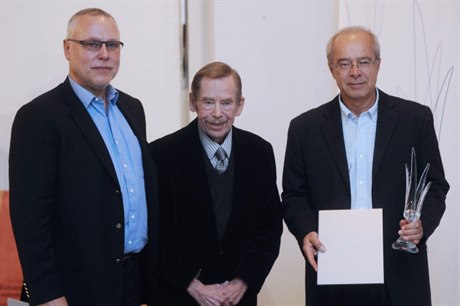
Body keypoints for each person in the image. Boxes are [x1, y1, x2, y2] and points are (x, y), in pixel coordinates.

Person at [282, 26, 449, 306]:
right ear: (331, 69)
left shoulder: (415, 119)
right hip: (332, 269)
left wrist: (422, 225)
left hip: (400, 270)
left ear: (378, 65)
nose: (355, 72)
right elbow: (294, 196)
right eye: (344, 63)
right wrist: (306, 230)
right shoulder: (304, 129)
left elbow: (435, 185)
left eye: (364, 61)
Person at [9, 8, 158, 306]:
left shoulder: (132, 109)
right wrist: (48, 295)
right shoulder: (38, 118)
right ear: (67, 48)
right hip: (74, 288)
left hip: (133, 280)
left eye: (112, 45)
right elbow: (30, 219)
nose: (104, 54)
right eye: (92, 44)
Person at [150, 61, 282, 306]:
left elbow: (269, 228)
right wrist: (194, 285)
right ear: (193, 102)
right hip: (180, 295)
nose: (218, 113)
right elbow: (157, 231)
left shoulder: (260, 152)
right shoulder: (162, 154)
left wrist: (243, 281)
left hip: (238, 298)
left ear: (240, 105)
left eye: (227, 103)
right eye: (208, 102)